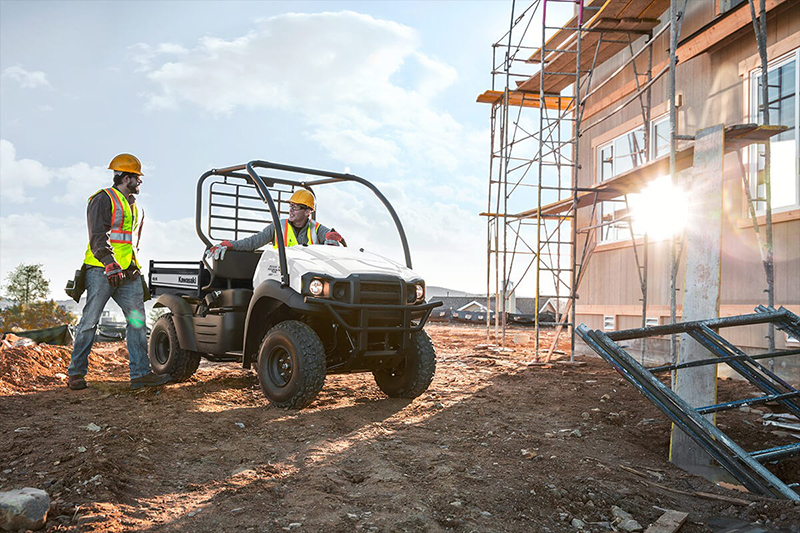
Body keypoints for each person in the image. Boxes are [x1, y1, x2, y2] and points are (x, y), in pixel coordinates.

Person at [67, 153, 171, 391]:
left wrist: (131, 266)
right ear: (125, 177)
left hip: (128, 275)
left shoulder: (134, 206)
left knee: (136, 322)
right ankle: (76, 373)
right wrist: (109, 262)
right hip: (102, 271)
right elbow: (97, 236)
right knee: (89, 322)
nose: (140, 182)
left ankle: (140, 374)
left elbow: (129, 242)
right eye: (137, 177)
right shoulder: (103, 199)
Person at [206, 189, 343, 260]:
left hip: (308, 276)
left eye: (295, 207)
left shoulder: (316, 228)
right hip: (279, 274)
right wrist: (230, 244)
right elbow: (254, 242)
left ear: (307, 212)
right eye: (290, 206)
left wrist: (332, 239)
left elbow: (329, 236)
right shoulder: (278, 226)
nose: (290, 210)